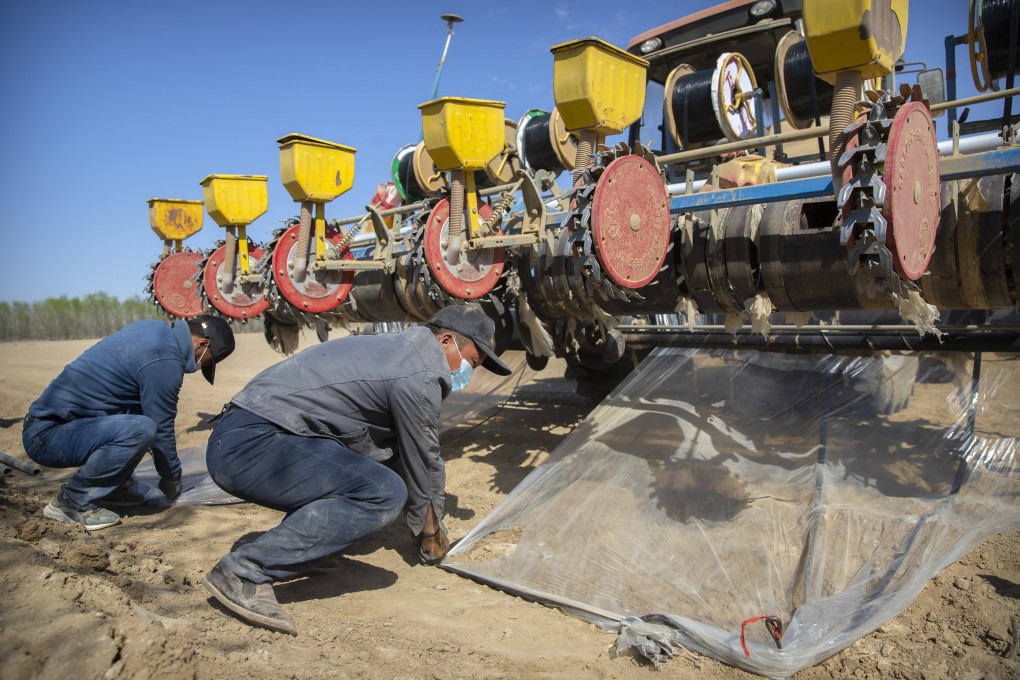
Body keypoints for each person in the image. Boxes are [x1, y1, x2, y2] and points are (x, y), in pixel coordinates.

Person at [201, 303, 512, 635]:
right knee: (383, 494)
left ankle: (293, 546)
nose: (469, 371)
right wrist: (431, 534)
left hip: (247, 434)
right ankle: (245, 571)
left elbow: (401, 454)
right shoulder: (420, 373)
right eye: (472, 361)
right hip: (250, 446)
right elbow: (423, 459)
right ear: (447, 340)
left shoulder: (399, 351)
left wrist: (424, 512)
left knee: (378, 464)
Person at [22, 315, 236, 531]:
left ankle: (115, 487)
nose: (200, 366)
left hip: (55, 428)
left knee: (137, 421)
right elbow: (161, 426)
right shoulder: (165, 360)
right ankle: (72, 500)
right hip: (48, 436)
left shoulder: (154, 331)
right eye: (207, 361)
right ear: (203, 344)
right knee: (141, 430)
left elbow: (136, 407)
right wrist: (172, 478)